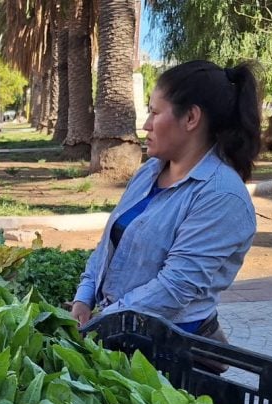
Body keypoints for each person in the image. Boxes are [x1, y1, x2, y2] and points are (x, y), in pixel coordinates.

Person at [71, 60, 261, 358]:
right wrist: (83, 300)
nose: (146, 124)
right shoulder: (149, 172)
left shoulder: (222, 196)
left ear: (191, 118)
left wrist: (103, 321)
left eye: (155, 112)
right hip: (117, 333)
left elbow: (175, 288)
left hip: (168, 351)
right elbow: (108, 245)